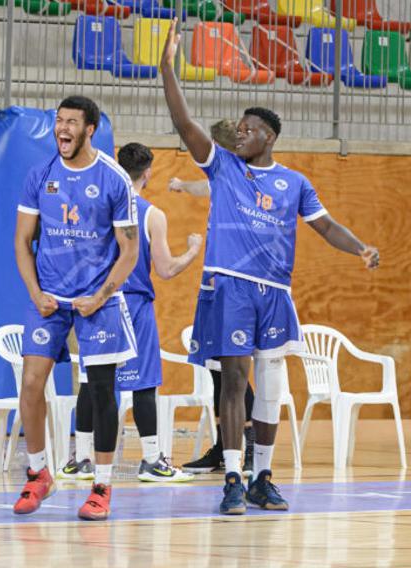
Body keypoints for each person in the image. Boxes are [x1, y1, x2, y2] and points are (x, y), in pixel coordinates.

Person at [159, 21, 379, 514]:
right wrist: (167, 70)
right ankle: (233, 477)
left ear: (270, 136)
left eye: (249, 128)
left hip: (274, 292)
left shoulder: (295, 182)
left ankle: (262, 477)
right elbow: (185, 124)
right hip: (230, 285)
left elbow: (325, 227)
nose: (240, 132)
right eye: (238, 128)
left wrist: (360, 247)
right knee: (234, 382)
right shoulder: (223, 167)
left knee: (272, 388)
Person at [11, 95, 140, 522]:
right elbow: (21, 242)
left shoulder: (114, 179)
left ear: (90, 129)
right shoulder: (39, 175)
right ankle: (37, 473)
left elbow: (129, 252)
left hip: (96, 301)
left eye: (71, 122)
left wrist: (101, 296)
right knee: (31, 384)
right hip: (49, 300)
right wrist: (34, 293)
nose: (62, 129)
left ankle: (101, 485)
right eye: (58, 121)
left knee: (101, 390)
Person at [60, 143, 202, 483]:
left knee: (91, 382)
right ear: (148, 172)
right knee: (143, 384)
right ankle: (151, 460)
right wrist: (193, 251)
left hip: (95, 303)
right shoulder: (152, 214)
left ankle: (80, 460)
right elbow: (166, 270)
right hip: (132, 304)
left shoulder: (96, 207)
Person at [167, 119, 259, 476]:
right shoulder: (220, 181)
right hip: (214, 282)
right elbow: (204, 187)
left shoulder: (245, 182)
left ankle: (248, 447)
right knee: (217, 367)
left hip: (239, 284)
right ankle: (225, 445)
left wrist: (182, 185)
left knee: (236, 371)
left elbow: (204, 185)